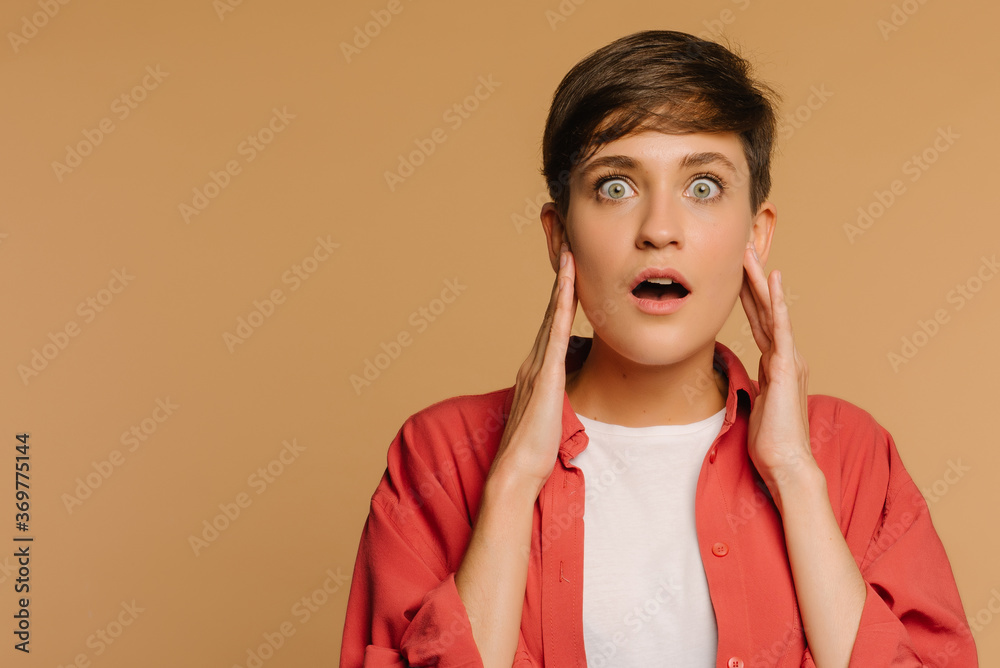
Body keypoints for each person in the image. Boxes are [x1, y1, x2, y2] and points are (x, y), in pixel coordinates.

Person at [339, 29, 978, 667]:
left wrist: (793, 474)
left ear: (756, 236)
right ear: (560, 236)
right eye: (616, 187)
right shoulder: (441, 457)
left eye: (702, 187)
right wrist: (512, 485)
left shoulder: (851, 456)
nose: (660, 231)